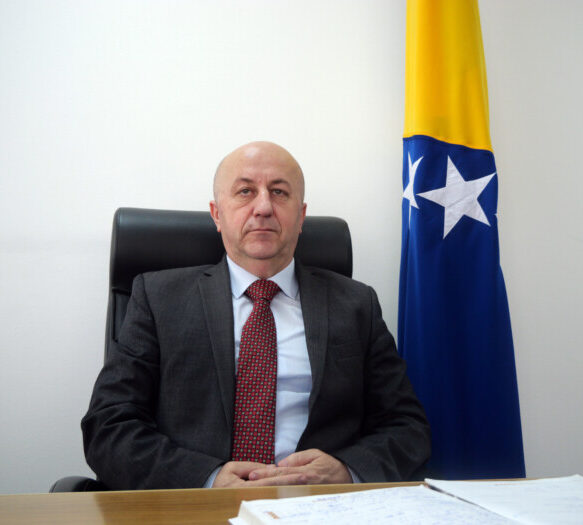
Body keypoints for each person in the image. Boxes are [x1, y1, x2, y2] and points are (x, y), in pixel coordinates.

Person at [82, 141, 430, 489]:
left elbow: (407, 428)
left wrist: (346, 471)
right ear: (217, 214)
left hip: (319, 504)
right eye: (245, 191)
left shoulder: (356, 304)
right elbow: (108, 425)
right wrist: (208, 479)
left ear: (301, 216)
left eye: (279, 192)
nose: (263, 207)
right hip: (197, 506)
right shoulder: (160, 298)